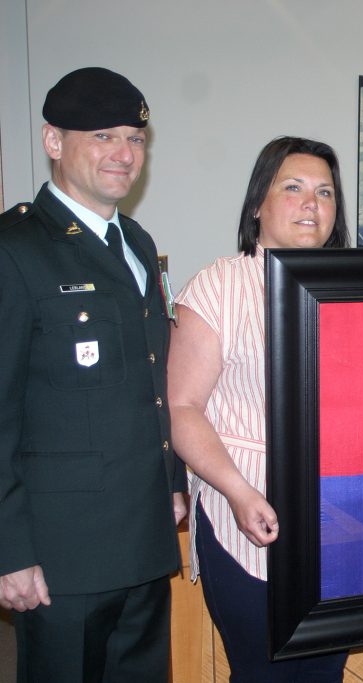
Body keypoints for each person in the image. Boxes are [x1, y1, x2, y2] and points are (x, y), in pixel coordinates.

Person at [0, 67, 185, 682]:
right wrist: (9, 551)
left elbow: (155, 378)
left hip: (142, 533)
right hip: (62, 555)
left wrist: (173, 479)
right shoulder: (15, 249)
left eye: (134, 139)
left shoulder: (134, 241)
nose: (124, 154)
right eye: (103, 136)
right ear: (55, 142)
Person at [167, 137, 349, 681]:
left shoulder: (351, 288)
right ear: (257, 204)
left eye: (324, 192)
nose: (310, 204)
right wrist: (240, 492)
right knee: (264, 671)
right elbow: (182, 407)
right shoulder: (216, 285)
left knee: (324, 671)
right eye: (291, 188)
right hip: (242, 509)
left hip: (336, 518)